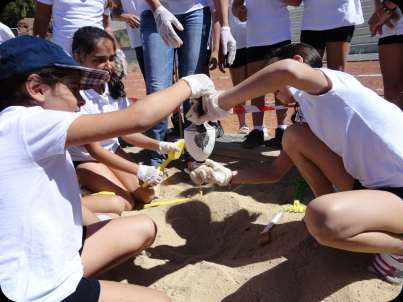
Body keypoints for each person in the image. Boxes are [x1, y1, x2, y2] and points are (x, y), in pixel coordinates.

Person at [0, 35, 213, 301]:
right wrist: (192, 83)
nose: (80, 101)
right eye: (74, 90)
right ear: (37, 89)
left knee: (142, 226)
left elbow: (65, 202)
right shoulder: (25, 122)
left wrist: (94, 225)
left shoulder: (17, 131)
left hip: (51, 255)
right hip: (36, 289)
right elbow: (138, 118)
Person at [187, 42, 403, 284]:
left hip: (398, 191)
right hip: (377, 187)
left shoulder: (330, 84)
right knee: (294, 137)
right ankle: (339, 225)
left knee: (321, 218)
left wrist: (220, 102)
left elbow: (287, 71)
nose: (272, 91)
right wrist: (227, 176)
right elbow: (275, 170)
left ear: (299, 62)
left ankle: (399, 249)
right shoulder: (308, 109)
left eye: (273, 83)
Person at [70, 26, 182, 207]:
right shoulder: (76, 96)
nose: (108, 65)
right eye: (99, 60)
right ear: (78, 57)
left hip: (112, 151)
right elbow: (95, 151)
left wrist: (159, 146)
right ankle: (79, 193)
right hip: (86, 158)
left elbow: (124, 132)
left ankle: (99, 183)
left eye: (111, 59)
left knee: (146, 195)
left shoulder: (112, 87)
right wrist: (139, 169)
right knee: (125, 202)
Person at [232, 0, 292, 149]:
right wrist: (239, 11)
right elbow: (235, 6)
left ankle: (281, 129)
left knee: (281, 85)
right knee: (257, 88)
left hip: (280, 36)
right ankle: (257, 131)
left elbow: (296, 2)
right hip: (255, 39)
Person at [287, 0, 363, 72]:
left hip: (340, 17)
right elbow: (296, 2)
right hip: (311, 20)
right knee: (309, 69)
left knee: (336, 72)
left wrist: (375, 9)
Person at [33, 0, 113, 53]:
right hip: (63, 57)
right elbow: (41, 18)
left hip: (96, 58)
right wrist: (36, 49)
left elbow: (106, 26)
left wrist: (118, 54)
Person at [374, 0, 403, 109]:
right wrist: (379, 9)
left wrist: (385, 9)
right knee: (392, 91)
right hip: (389, 24)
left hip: (388, 15)